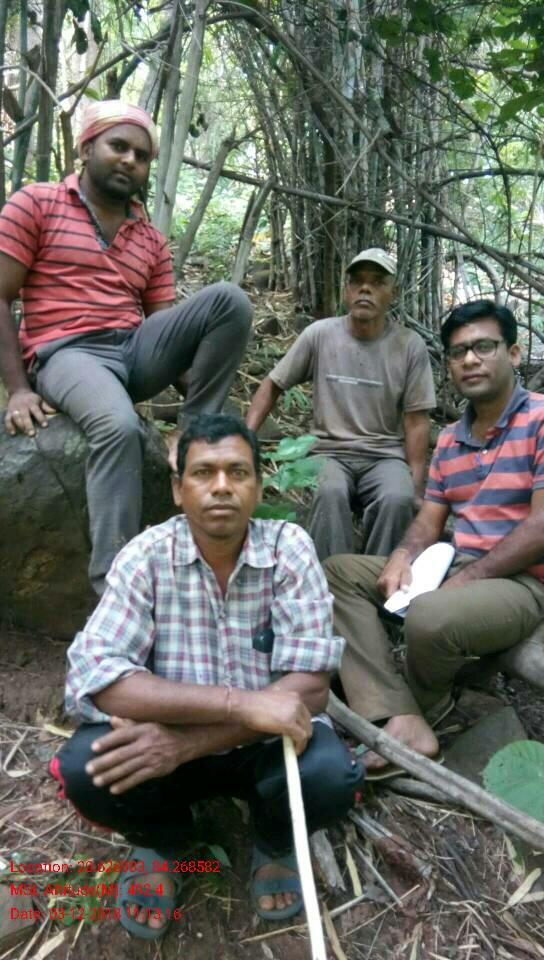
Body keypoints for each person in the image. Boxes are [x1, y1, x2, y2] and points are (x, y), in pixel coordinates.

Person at [49, 414, 364, 939]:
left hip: (261, 747)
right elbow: (98, 675)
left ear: (258, 485)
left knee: (332, 775)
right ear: (178, 489)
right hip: (183, 741)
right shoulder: (146, 556)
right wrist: (241, 703)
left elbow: (309, 688)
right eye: (203, 473)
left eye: (238, 472)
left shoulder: (288, 548)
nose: (221, 486)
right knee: (85, 768)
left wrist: (185, 745)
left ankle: (273, 839)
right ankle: (166, 841)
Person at [0, 101, 252, 594]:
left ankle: (194, 434)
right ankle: (114, 590)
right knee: (118, 427)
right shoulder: (36, 203)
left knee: (230, 300)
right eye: (118, 146)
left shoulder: (150, 239)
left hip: (133, 350)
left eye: (141, 155)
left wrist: (212, 405)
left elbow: (168, 332)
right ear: (86, 147)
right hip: (67, 352)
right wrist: (17, 389)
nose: (130, 160)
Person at [324, 299, 544, 775]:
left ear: (513, 352)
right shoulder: (450, 439)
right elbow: (429, 520)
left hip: (523, 582)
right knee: (339, 573)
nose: (470, 360)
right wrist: (402, 555)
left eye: (483, 347)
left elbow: (541, 527)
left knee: (428, 615)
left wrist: (469, 579)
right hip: (458, 565)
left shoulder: (540, 420)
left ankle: (428, 706)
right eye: (458, 352)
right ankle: (398, 711)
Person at [246, 248, 436, 560]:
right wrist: (245, 439)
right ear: (346, 290)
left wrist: (415, 485)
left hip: (384, 456)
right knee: (329, 492)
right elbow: (272, 384)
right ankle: (332, 579)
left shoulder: (409, 345)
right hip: (328, 452)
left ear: (393, 292)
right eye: (357, 281)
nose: (365, 289)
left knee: (397, 497)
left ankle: (377, 578)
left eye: (377, 282)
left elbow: (417, 420)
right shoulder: (320, 335)